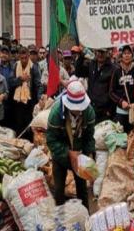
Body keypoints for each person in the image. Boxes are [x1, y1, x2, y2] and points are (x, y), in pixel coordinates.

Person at [46, 80, 95, 209]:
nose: (78, 111)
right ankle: (60, 221)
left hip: (80, 155)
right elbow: (51, 140)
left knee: (82, 190)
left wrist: (88, 157)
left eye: (81, 108)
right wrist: (68, 152)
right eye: (75, 109)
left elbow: (89, 137)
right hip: (60, 156)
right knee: (59, 190)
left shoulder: (89, 112)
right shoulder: (56, 113)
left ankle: (85, 219)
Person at [75, 48, 116, 123]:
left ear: (107, 53)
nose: (100, 54)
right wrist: (81, 56)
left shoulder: (113, 68)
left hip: (104, 111)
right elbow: (78, 72)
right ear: (95, 52)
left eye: (102, 52)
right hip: (90, 107)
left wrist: (110, 110)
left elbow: (114, 90)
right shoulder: (91, 64)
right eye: (98, 51)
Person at [10, 47, 43, 136]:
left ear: (28, 56)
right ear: (19, 57)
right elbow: (10, 82)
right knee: (19, 125)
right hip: (18, 101)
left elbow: (39, 84)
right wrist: (21, 79)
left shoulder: (33, 67)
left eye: (26, 58)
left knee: (29, 125)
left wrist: (40, 98)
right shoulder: (15, 66)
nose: (24, 60)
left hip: (30, 101)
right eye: (22, 58)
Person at [109, 45, 134, 133]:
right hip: (121, 112)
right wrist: (121, 102)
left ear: (132, 56)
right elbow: (111, 92)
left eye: (129, 53)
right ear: (121, 56)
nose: (127, 55)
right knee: (121, 138)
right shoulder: (117, 71)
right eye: (124, 53)